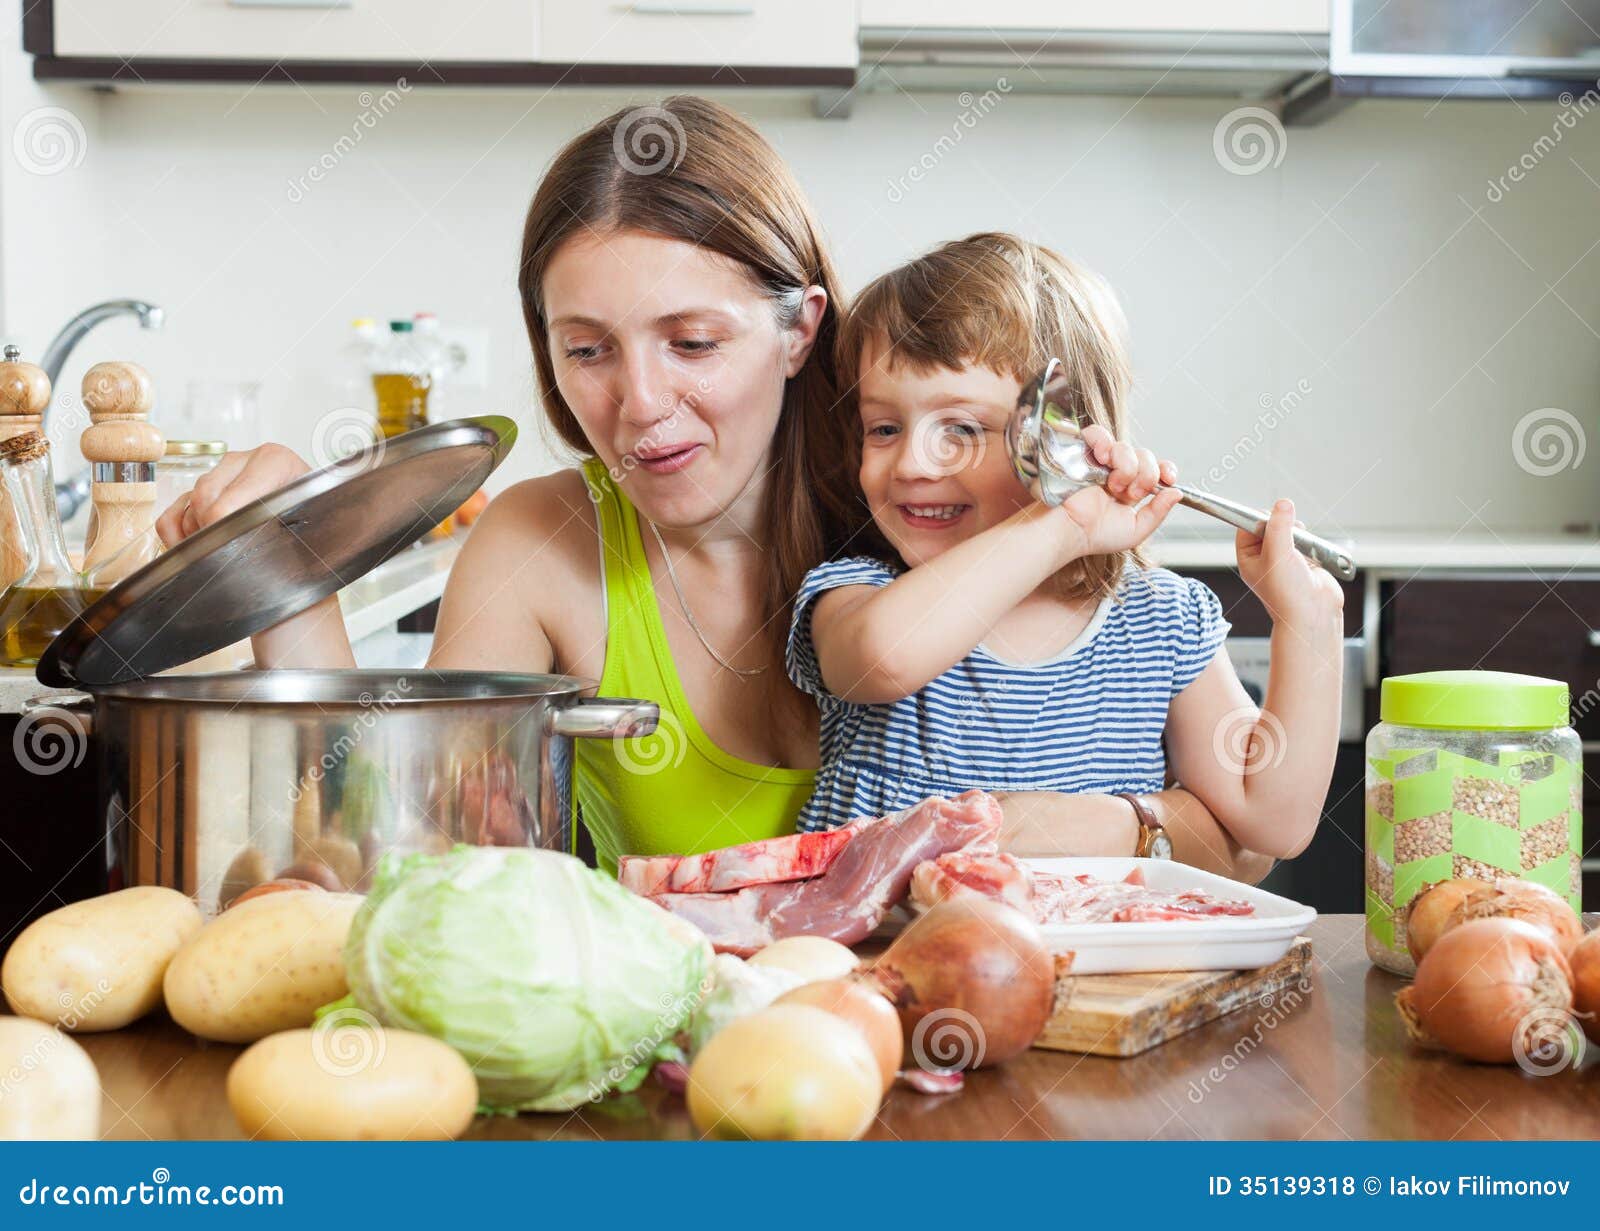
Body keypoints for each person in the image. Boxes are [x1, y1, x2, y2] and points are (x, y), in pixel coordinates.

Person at [155, 98, 1270, 881]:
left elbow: (1246, 841)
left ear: (800, 330)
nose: (639, 404)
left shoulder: (932, 505)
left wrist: (1091, 823)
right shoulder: (542, 545)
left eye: (691, 341)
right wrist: (286, 565)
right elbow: (404, 863)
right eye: (587, 350)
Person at [789, 232, 1344, 860]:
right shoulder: (856, 592)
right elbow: (882, 659)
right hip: (888, 954)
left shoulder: (1158, 620)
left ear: (1070, 444)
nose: (913, 462)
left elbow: (1272, 824)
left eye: (964, 428)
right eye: (883, 428)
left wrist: (1311, 622)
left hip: (1102, 957)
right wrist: (1064, 527)